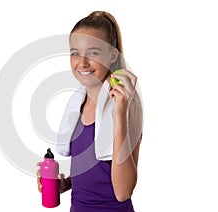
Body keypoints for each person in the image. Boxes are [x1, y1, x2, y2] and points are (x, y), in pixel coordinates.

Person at [37, 11, 143, 212]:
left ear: (112, 55)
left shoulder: (127, 105)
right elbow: (93, 172)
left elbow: (123, 192)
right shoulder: (77, 104)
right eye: (75, 52)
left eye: (93, 52)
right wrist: (65, 184)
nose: (82, 63)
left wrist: (120, 114)